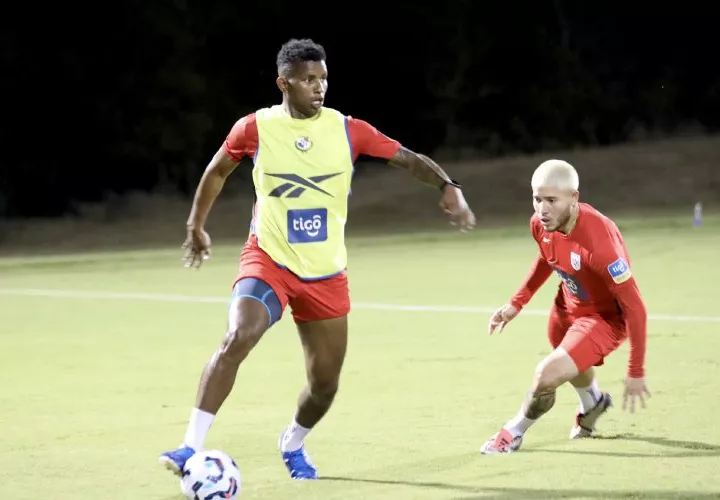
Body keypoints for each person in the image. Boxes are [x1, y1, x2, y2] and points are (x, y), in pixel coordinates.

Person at [159, 38, 476, 479]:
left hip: (326, 273)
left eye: (323, 79)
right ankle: (188, 446)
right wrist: (196, 224)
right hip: (268, 260)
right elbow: (216, 171)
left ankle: (292, 441)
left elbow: (406, 158)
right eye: (308, 80)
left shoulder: (349, 130)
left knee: (324, 385)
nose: (319, 87)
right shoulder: (255, 128)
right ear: (283, 83)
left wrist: (448, 185)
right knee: (239, 335)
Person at [480, 159, 650, 454]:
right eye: (537, 199)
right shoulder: (540, 224)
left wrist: (636, 370)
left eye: (551, 200)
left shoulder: (601, 246)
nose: (542, 209)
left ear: (574, 199)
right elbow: (548, 255)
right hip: (567, 305)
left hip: (603, 319)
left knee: (546, 375)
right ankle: (593, 403)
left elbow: (636, 307)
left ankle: (513, 432)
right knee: (569, 362)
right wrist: (515, 303)